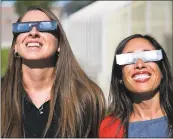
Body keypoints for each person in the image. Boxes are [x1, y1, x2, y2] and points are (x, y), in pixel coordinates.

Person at [1, 6, 106, 138]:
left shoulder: (86, 96)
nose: (33, 32)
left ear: (59, 44)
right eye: (23, 27)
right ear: (15, 45)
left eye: (45, 26)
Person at [99, 34, 173, 138]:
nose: (139, 64)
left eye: (148, 56)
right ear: (120, 76)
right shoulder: (106, 129)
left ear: (162, 71)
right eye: (129, 59)